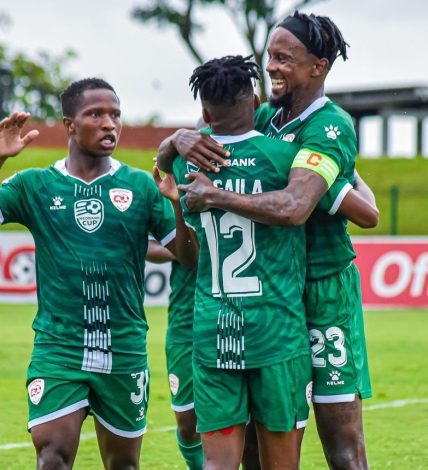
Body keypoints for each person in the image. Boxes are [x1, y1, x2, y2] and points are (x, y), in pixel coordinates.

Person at [157, 12, 378, 469]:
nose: (272, 66)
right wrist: (177, 139)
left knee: (340, 437)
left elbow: (298, 207)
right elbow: (211, 131)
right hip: (273, 299)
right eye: (270, 57)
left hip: (322, 289)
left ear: (318, 66)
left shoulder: (329, 127)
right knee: (260, 440)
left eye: (284, 58)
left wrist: (216, 193)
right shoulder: (265, 118)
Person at [0, 78, 195, 469]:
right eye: (96, 114)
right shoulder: (36, 185)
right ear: (69, 124)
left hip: (124, 348)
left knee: (124, 466)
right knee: (52, 458)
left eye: (115, 115)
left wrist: (177, 205)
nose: (109, 124)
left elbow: (189, 257)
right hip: (59, 348)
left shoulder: (140, 186)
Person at [160, 55, 316, 469]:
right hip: (276, 332)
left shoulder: (186, 163)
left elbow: (165, 162)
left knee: (218, 464)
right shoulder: (286, 158)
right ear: (256, 99)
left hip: (214, 332)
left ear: (206, 112)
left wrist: (177, 140)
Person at [146, 239, 202, 470]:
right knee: (188, 425)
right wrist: (185, 250)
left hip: (239, 320)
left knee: (246, 424)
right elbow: (146, 245)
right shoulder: (174, 203)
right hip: (186, 324)